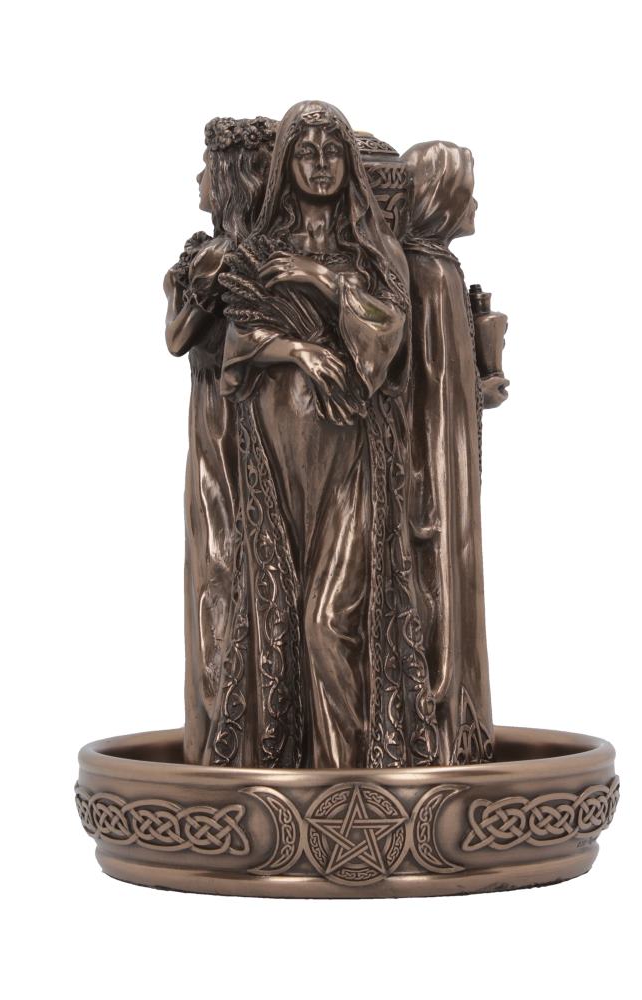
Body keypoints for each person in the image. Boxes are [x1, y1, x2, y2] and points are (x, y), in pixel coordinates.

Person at [211, 101, 439, 768]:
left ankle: (349, 778)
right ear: (285, 163)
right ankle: (289, 765)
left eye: (331, 150)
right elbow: (237, 340)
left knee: (327, 620)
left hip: (352, 458)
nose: (319, 164)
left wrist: (321, 279)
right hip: (278, 459)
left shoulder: (373, 252)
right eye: (305, 151)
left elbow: (388, 339)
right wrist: (299, 352)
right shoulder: (259, 250)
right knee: (278, 617)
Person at [163, 116, 275, 765]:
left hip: (244, 415)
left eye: (208, 168)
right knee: (218, 562)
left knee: (235, 560)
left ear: (232, 178)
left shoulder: (243, 257)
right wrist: (195, 289)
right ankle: (223, 726)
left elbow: (182, 338)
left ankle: (244, 726)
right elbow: (179, 338)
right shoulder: (205, 255)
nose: (199, 179)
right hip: (217, 414)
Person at [400, 140, 509, 764]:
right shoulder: (429, 273)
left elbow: (443, 383)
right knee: (437, 585)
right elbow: (428, 389)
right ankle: (439, 730)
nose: (475, 205)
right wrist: (477, 390)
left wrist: (478, 389)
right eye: (466, 190)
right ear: (440, 197)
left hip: (444, 461)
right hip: (433, 470)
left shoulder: (436, 268)